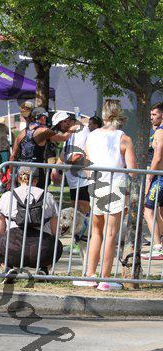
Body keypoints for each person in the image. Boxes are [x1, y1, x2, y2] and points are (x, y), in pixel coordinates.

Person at [76, 99, 137, 290]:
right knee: (110, 233)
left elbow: (86, 163)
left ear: (103, 115)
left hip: (97, 183)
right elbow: (133, 170)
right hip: (116, 183)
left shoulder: (92, 135)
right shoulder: (124, 138)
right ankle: (105, 278)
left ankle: (90, 274)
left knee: (96, 231)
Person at [0, 166, 62, 274]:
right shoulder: (48, 197)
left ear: (18, 178)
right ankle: (44, 269)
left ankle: (6, 267)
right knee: (57, 244)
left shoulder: (6, 196)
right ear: (36, 180)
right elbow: (55, 232)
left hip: (13, 249)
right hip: (41, 252)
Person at [10, 107, 71, 188]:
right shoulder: (43, 131)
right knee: (38, 194)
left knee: (23, 193)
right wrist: (72, 129)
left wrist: (11, 175)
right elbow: (63, 138)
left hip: (22, 169)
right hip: (36, 168)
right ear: (43, 118)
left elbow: (13, 156)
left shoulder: (21, 133)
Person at [50, 111, 91, 214]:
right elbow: (64, 152)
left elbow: (77, 156)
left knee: (83, 214)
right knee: (76, 213)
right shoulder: (70, 133)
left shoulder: (81, 131)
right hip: (74, 182)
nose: (58, 129)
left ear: (66, 121)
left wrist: (61, 168)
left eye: (59, 125)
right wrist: (55, 169)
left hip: (83, 180)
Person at [142, 102, 163, 259]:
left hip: (158, 177)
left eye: (154, 115)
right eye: (150, 115)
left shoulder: (160, 133)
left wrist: (150, 176)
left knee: (148, 210)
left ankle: (157, 247)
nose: (151, 118)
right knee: (159, 212)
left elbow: (158, 156)